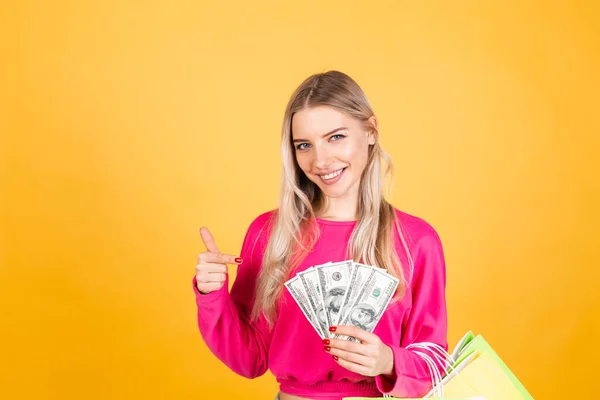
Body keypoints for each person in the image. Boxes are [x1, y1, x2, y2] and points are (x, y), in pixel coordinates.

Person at [192, 70, 448, 400]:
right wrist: (211, 294)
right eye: (304, 145)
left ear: (370, 131)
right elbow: (250, 357)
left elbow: (434, 364)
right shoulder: (269, 234)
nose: (321, 160)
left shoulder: (417, 241)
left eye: (336, 137)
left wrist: (388, 361)